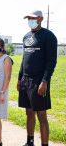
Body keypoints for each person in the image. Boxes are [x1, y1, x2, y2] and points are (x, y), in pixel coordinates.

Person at [17, 10, 57, 146]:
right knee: (29, 113)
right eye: (28, 18)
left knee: (41, 115)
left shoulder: (48, 36)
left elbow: (52, 60)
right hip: (26, 80)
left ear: (41, 19)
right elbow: (24, 59)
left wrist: (45, 81)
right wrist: (19, 78)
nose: (30, 20)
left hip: (39, 80)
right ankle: (30, 142)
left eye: (32, 18)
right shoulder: (26, 36)